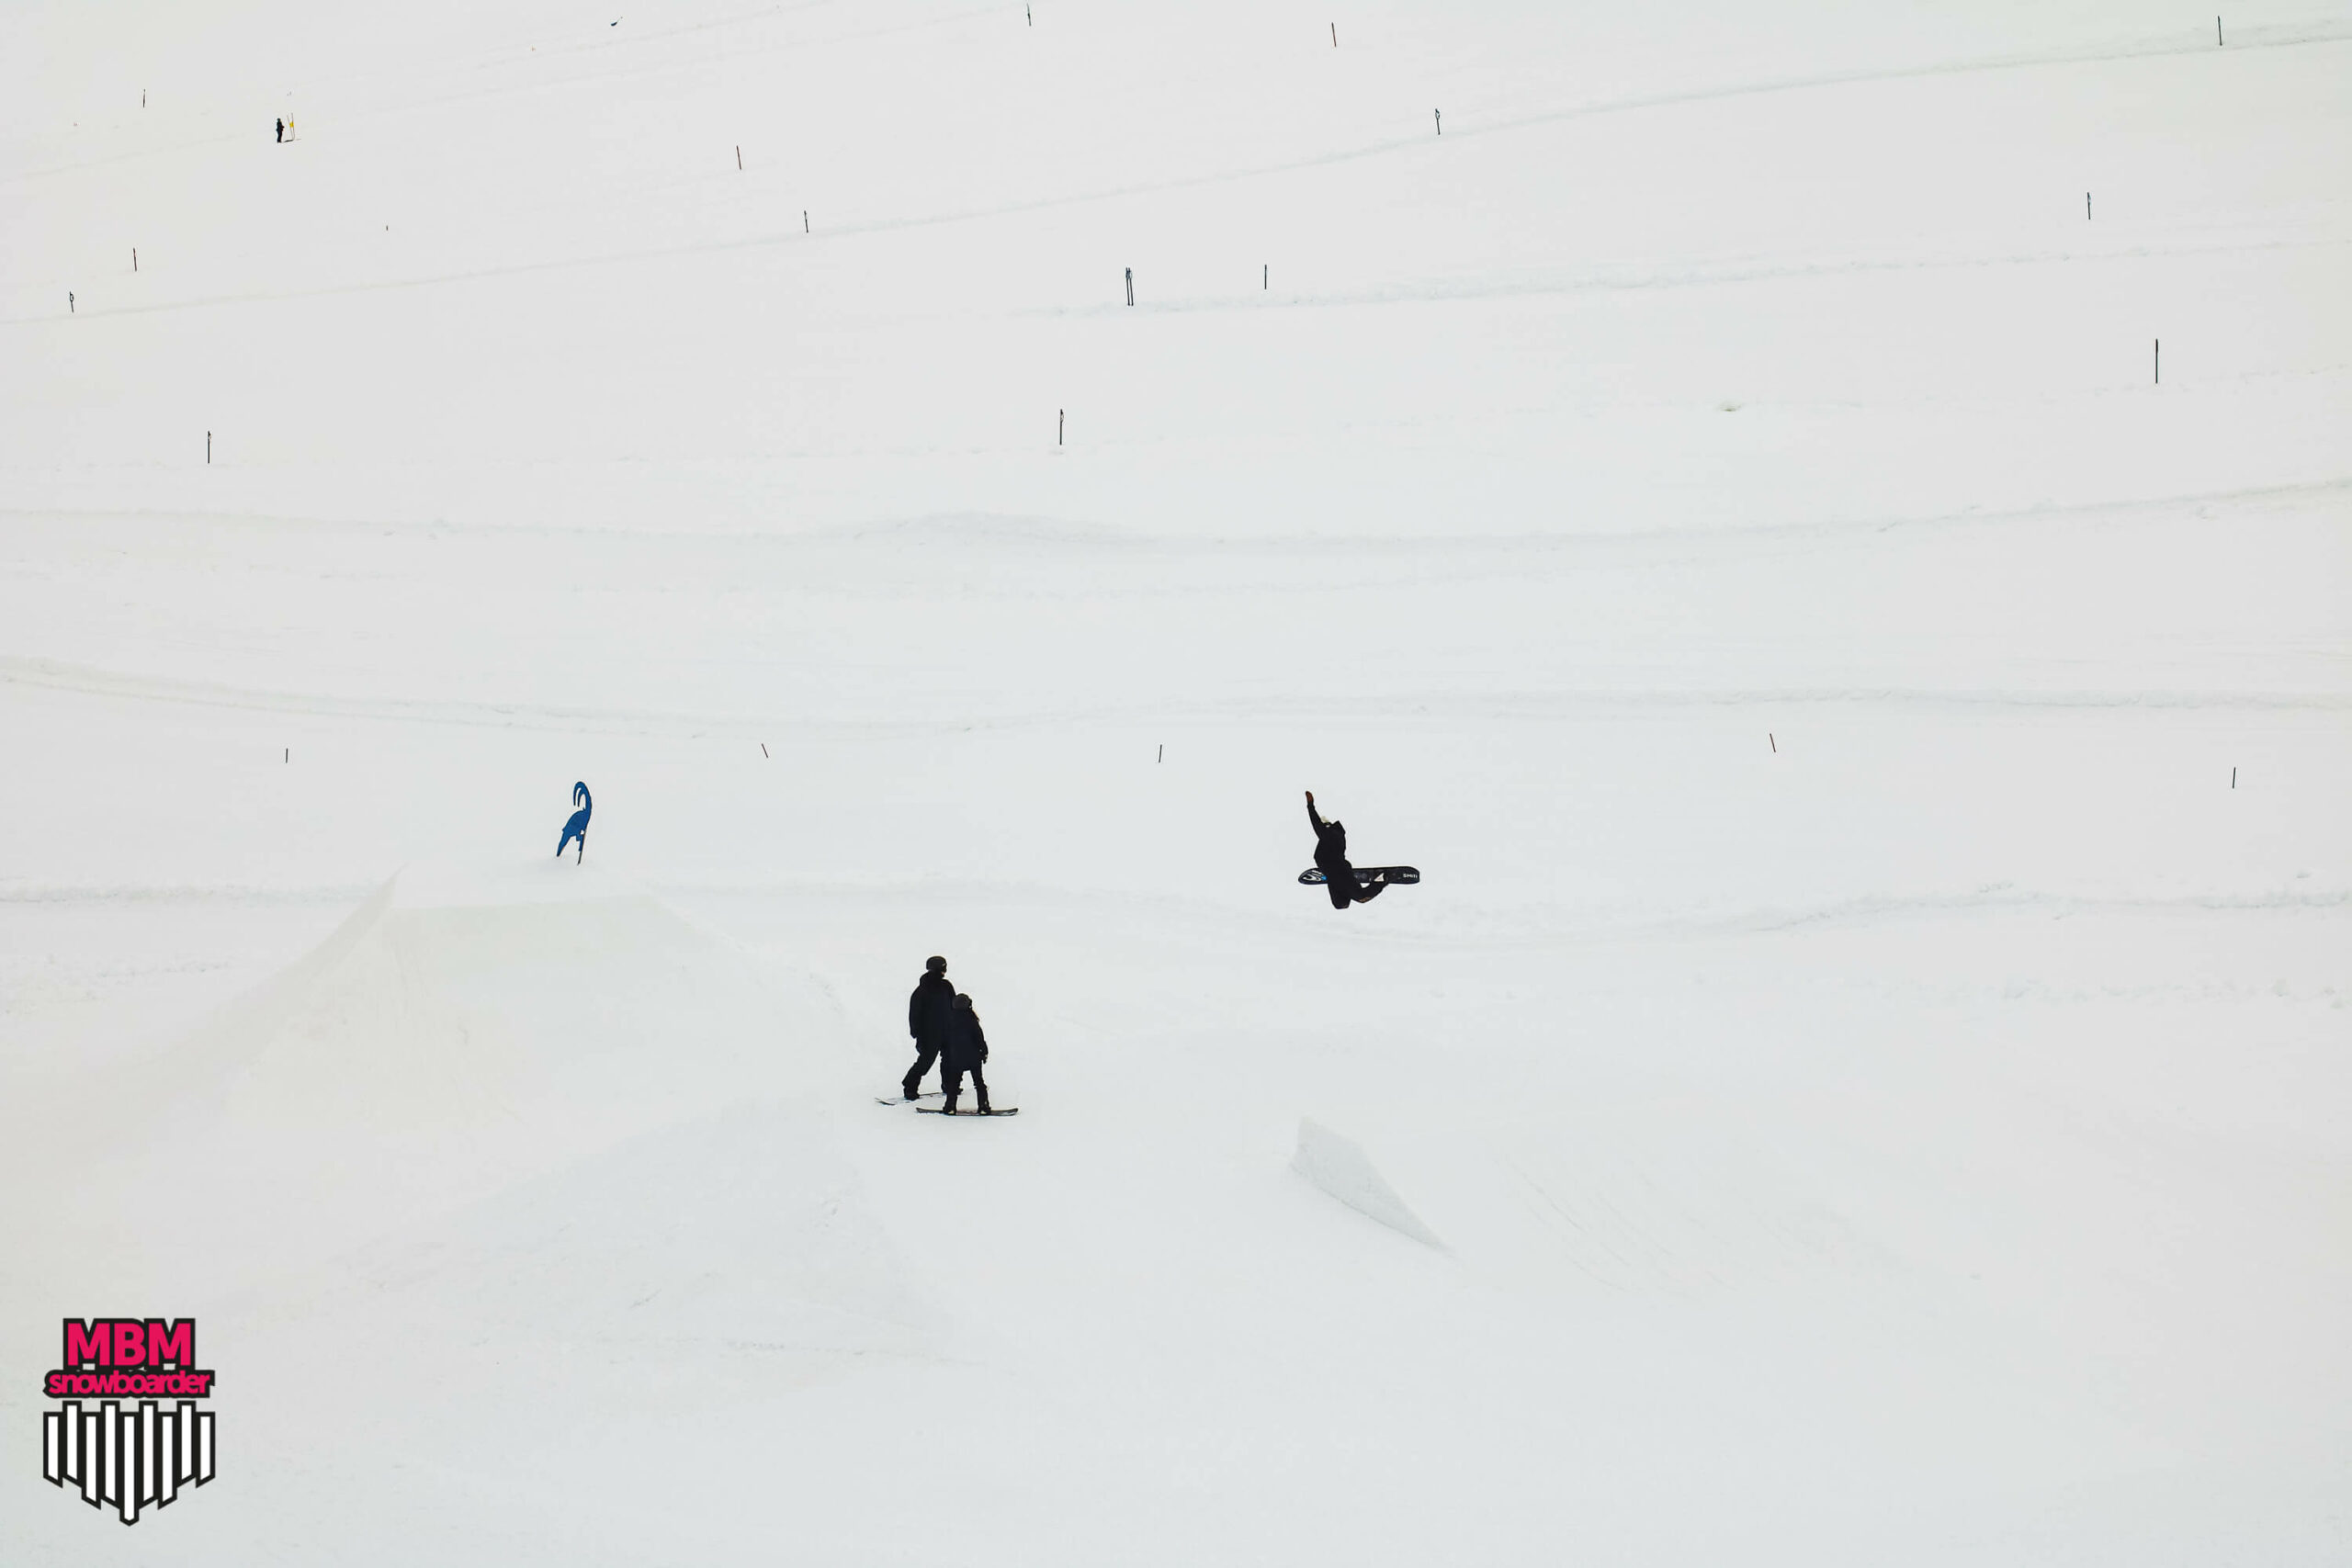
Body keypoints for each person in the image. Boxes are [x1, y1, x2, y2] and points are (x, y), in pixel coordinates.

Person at [1306, 790, 1385, 910]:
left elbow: (1316, 824)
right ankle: (1379, 880)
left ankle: (1382, 879)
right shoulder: (1336, 835)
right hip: (1335, 871)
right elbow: (1318, 825)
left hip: (1336, 871)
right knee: (1344, 901)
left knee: (1349, 900)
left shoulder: (1329, 835)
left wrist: (1310, 806)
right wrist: (1310, 806)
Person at [902, 955, 954, 1100]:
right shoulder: (922, 991)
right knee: (926, 1061)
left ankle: (950, 1085)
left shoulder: (946, 986)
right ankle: (910, 1087)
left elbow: (954, 1005)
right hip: (929, 1034)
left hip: (947, 1030)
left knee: (949, 1059)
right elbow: (915, 1014)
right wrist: (916, 1033)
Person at [941, 993, 992, 1114]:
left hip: (956, 1058)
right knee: (979, 1082)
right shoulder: (972, 1020)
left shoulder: (949, 1020)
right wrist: (984, 1052)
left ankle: (950, 1106)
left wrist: (946, 1055)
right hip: (974, 1058)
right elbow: (979, 1038)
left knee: (954, 1084)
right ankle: (983, 1106)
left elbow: (945, 1041)